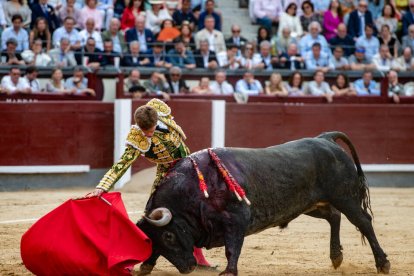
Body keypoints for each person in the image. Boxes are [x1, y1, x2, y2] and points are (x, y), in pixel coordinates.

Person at [85, 98, 213, 270]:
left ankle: (199, 257)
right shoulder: (137, 137)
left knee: (197, 211)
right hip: (166, 172)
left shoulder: (160, 110)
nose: (147, 135)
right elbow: (121, 164)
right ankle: (134, 260)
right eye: (144, 132)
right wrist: (102, 186)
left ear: (157, 120)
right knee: (152, 216)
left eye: (150, 131)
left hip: (189, 167)